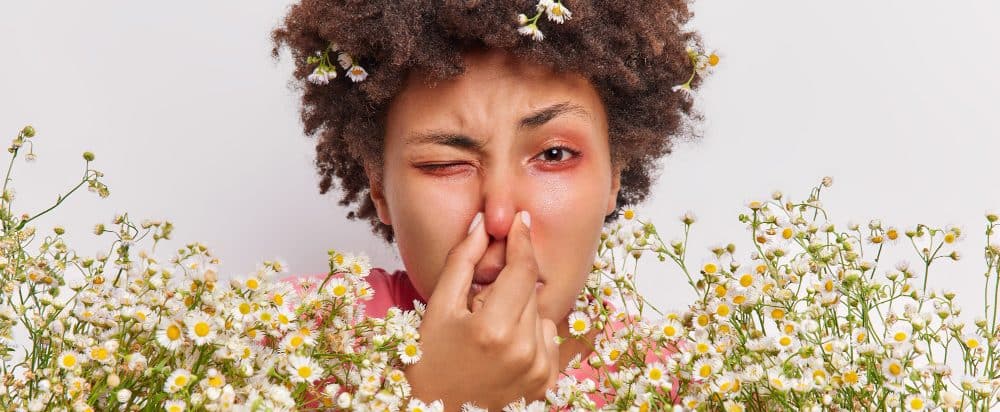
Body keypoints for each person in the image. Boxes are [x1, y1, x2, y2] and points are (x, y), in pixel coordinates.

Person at [271, 0, 708, 409]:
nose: (499, 217)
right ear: (379, 188)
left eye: (553, 155)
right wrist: (440, 397)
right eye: (445, 164)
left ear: (614, 176)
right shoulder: (282, 335)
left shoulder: (685, 385)